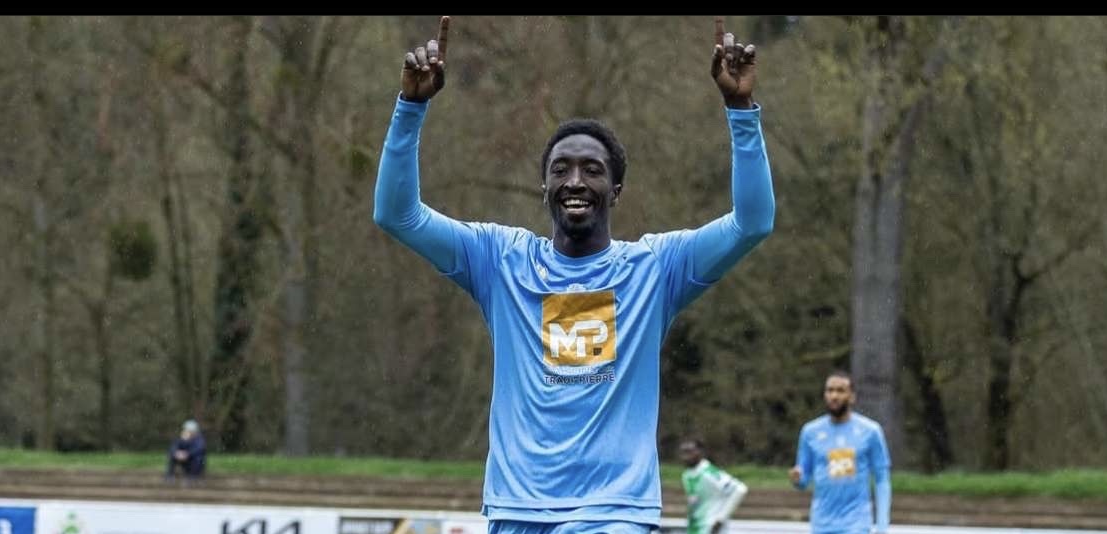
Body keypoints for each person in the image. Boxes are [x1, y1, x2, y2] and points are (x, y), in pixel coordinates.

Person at [374, 16, 776, 534]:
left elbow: (752, 223)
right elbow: (397, 214)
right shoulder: (499, 260)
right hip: (517, 509)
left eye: (593, 169)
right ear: (544, 188)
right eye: (560, 169)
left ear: (616, 191)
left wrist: (741, 110)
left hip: (614, 511)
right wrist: (410, 109)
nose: (575, 181)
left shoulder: (655, 268)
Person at [789, 371, 892, 534]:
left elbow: (882, 479)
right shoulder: (810, 432)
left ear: (852, 396)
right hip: (822, 524)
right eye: (830, 390)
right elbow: (804, 478)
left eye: (840, 390)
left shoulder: (870, 431)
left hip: (856, 522)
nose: (834, 396)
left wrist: (882, 527)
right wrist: (797, 479)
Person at [678, 438, 748, 534]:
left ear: (700, 452)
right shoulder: (687, 475)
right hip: (695, 527)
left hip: (710, 528)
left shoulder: (708, 473)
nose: (685, 457)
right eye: (683, 452)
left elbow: (740, 489)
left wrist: (720, 519)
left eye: (689, 452)